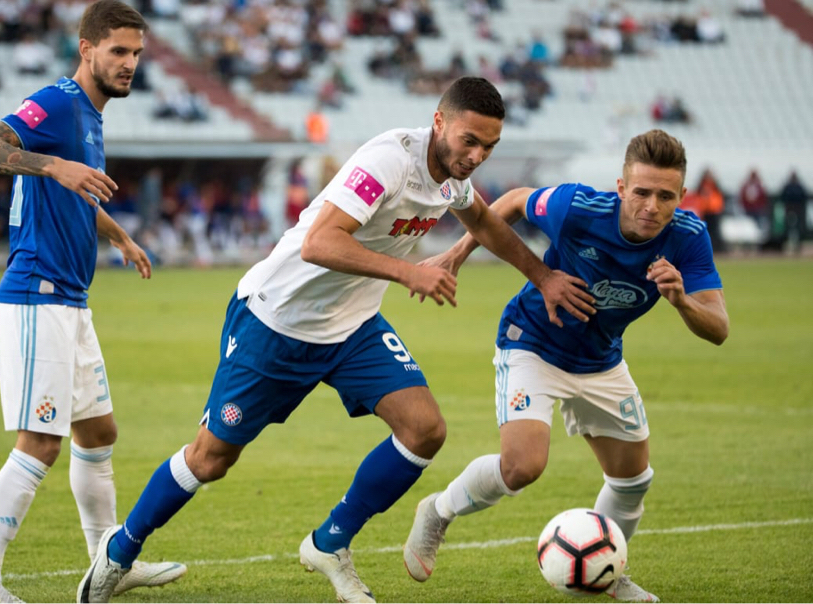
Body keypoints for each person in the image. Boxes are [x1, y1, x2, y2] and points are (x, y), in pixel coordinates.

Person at [77, 77, 595, 603]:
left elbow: (483, 221)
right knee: (210, 458)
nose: (477, 156)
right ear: (440, 122)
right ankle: (119, 551)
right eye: (470, 141)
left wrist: (543, 276)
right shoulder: (389, 161)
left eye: (489, 146)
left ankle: (330, 542)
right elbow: (320, 243)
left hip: (352, 326)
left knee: (424, 430)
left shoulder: (452, 181)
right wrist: (408, 272)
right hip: (276, 321)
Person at [403, 129, 729, 603]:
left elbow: (718, 328)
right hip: (533, 343)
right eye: (641, 192)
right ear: (621, 187)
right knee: (522, 466)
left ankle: (606, 573)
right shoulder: (578, 208)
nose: (652, 206)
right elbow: (514, 201)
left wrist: (682, 301)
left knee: (633, 481)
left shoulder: (688, 237)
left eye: (666, 196)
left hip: (601, 359)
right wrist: (457, 254)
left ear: (682, 195)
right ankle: (438, 510)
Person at [0, 0, 186, 604]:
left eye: (137, 53)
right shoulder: (58, 103)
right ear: (86, 49)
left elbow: (78, 195)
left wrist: (120, 237)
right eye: (118, 51)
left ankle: (106, 564)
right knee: (40, 443)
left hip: (70, 300)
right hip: (36, 295)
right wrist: (54, 165)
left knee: (99, 432)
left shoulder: (90, 116)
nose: (130, 63)